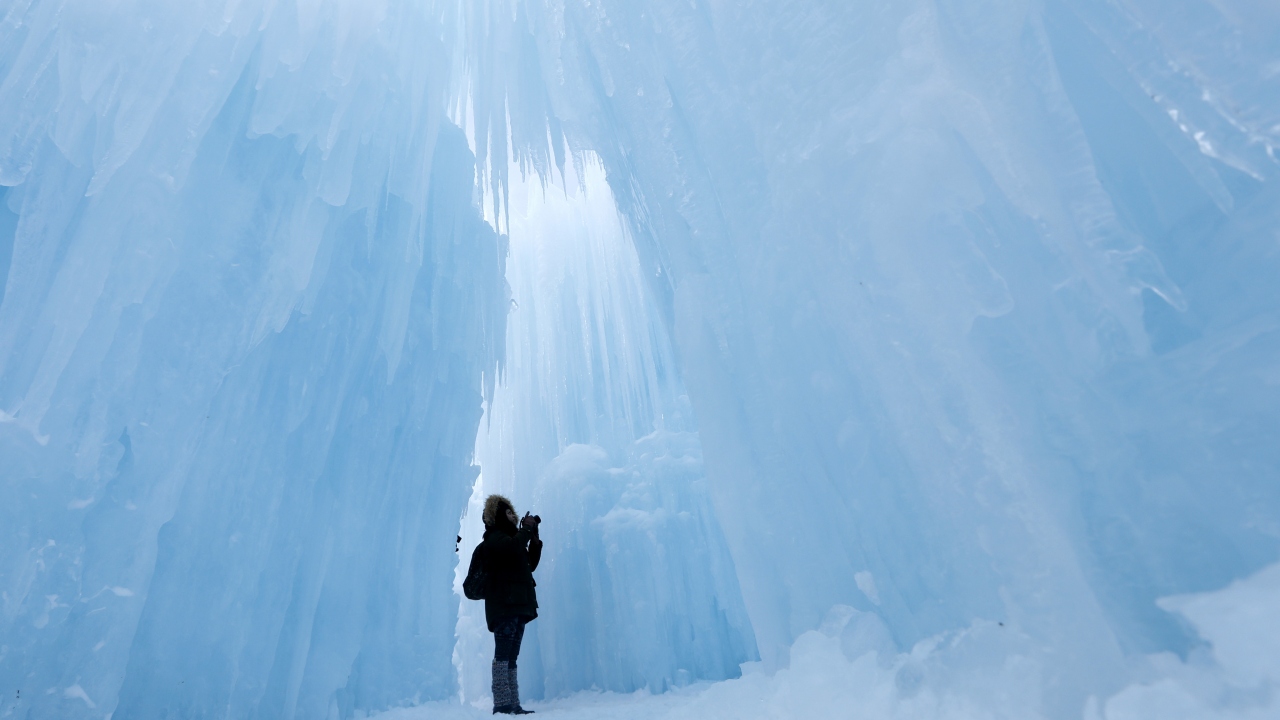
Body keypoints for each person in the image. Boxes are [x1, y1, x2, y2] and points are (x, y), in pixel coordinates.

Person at [480, 494, 542, 715]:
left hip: (517, 604)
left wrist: (534, 540)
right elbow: (513, 549)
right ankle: (502, 703)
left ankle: (513, 703)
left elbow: (529, 564)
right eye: (507, 512)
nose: (512, 515)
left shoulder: (512, 538)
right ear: (498, 516)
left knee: (512, 655)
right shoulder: (495, 538)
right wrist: (525, 531)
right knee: (503, 654)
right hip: (503, 604)